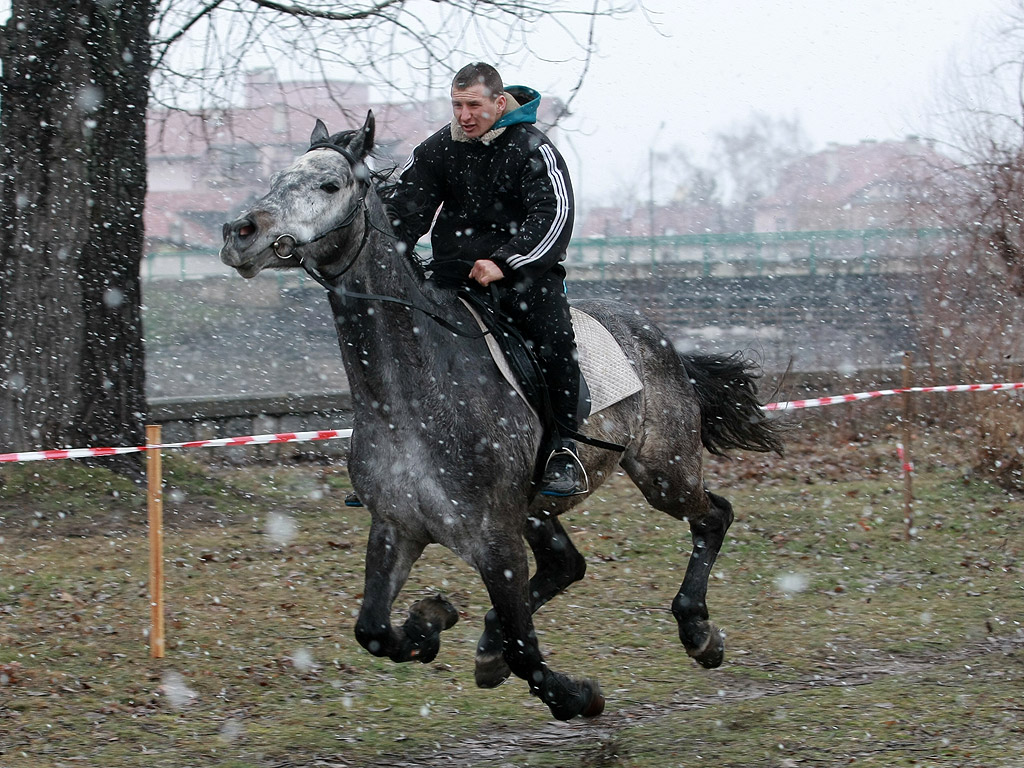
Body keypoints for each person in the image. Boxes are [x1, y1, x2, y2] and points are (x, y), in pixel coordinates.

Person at [384, 61, 585, 497]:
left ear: (498, 102)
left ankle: (564, 450)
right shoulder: (438, 149)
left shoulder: (535, 149)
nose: (463, 116)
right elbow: (405, 213)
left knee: (554, 344)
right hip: (452, 278)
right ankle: (399, 458)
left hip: (527, 279)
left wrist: (506, 262)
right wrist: (379, 253)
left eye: (473, 105)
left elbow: (554, 217)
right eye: (456, 105)